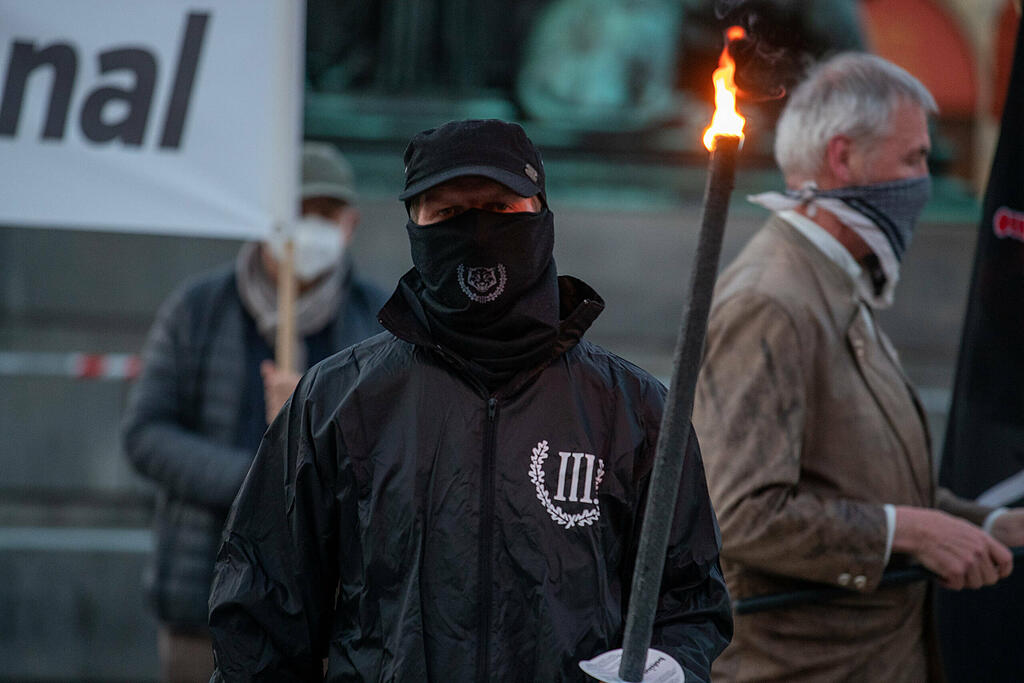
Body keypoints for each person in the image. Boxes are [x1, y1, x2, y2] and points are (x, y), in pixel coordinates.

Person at [207, 119, 732, 681]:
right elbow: (263, 618)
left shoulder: (633, 410)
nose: (477, 231)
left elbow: (690, 602)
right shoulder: (337, 401)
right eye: (449, 214)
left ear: (542, 217)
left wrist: (670, 667)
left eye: (500, 209)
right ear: (415, 226)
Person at [692, 53, 1024, 681]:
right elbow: (737, 514)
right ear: (843, 159)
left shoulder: (836, 280)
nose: (924, 182)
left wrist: (986, 522)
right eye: (913, 160)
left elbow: (862, 480)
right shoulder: (771, 299)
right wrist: (909, 532)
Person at [122, 142, 387, 683]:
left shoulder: (378, 325)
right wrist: (261, 476)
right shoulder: (197, 310)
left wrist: (309, 430)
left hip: (334, 617)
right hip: (204, 604)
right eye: (297, 212)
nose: (309, 228)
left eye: (325, 215)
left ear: (350, 225)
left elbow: (394, 456)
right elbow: (145, 435)